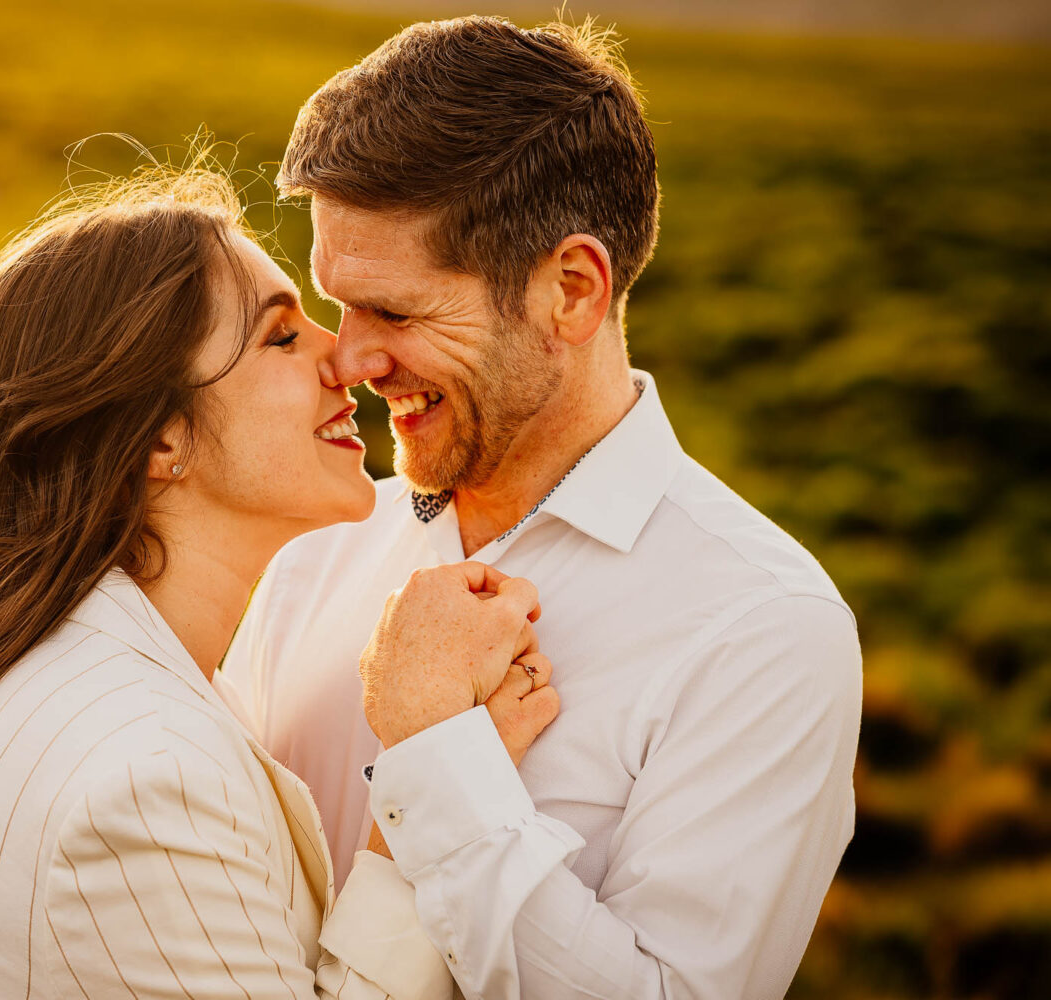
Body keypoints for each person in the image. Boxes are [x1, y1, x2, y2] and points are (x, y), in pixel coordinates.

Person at [0, 167, 559, 1000]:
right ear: (161, 438)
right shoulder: (146, 779)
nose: (343, 357)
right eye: (278, 337)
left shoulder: (76, 682)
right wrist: (429, 766)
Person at [224, 15, 863, 1000]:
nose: (349, 360)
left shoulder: (766, 629)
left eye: (396, 311)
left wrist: (435, 753)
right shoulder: (309, 545)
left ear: (570, 290)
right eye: (336, 304)